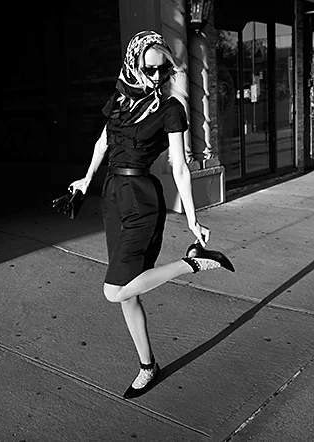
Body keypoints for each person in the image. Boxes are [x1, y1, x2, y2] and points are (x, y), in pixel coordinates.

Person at [68, 30, 234, 399]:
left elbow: (179, 167)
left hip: (143, 199)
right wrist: (86, 178)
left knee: (114, 291)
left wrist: (192, 218)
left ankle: (194, 264)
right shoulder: (120, 100)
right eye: (150, 69)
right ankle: (148, 366)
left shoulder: (170, 110)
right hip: (113, 196)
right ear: (134, 62)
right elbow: (104, 141)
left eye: (164, 70)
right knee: (128, 293)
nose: (157, 77)